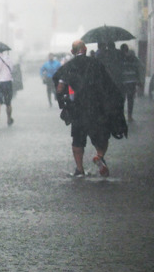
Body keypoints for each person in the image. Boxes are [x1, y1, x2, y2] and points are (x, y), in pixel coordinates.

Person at [53, 40, 127, 178]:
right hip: (96, 108)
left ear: (72, 52)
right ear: (85, 49)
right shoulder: (96, 64)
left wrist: (64, 102)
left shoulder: (68, 67)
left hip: (77, 110)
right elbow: (108, 85)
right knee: (101, 136)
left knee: (77, 140)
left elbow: (60, 88)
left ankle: (80, 169)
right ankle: (99, 156)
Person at [118, 44, 143, 122]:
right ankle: (129, 116)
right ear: (127, 49)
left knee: (122, 99)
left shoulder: (119, 59)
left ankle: (121, 115)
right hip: (132, 82)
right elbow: (139, 67)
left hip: (123, 82)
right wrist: (139, 80)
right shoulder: (134, 58)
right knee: (130, 99)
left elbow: (117, 70)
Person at [0, 50, 15, 128]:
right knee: (8, 103)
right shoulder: (8, 58)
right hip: (7, 82)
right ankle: (8, 119)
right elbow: (12, 69)